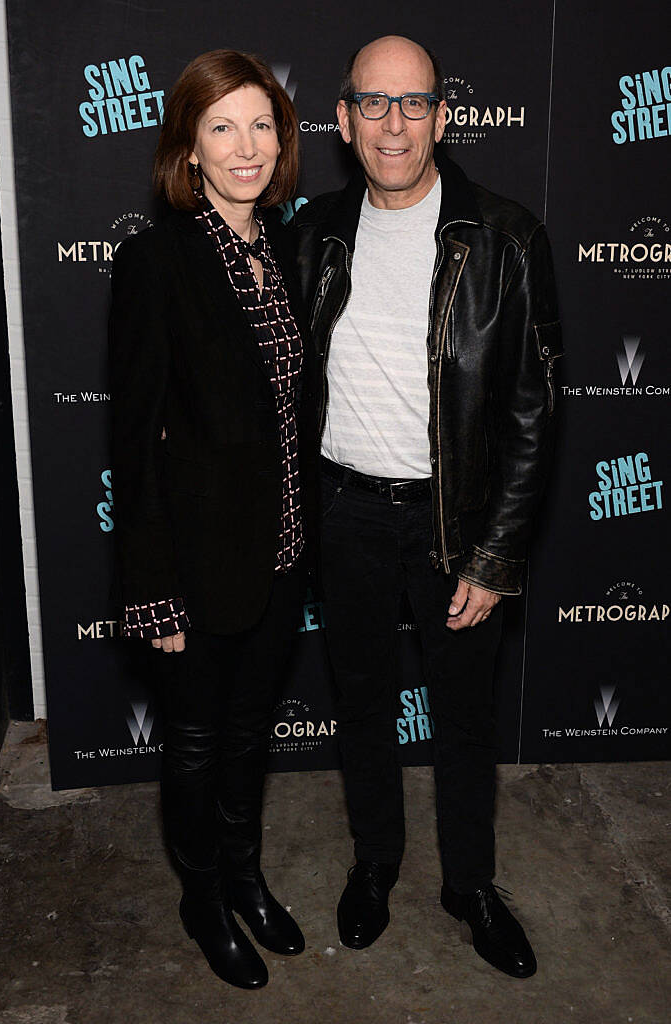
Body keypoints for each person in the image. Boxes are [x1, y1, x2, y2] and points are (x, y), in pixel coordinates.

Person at [294, 35, 562, 979]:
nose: (394, 124)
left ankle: (470, 886)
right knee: (360, 704)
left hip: (456, 526)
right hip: (345, 516)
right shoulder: (313, 232)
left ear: (443, 117)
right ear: (344, 121)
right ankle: (376, 863)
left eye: (413, 104)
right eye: (373, 104)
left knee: (464, 720)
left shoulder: (507, 236)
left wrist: (495, 555)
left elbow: (533, 415)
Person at [109, 49, 316, 990]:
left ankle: (244, 875)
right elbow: (133, 441)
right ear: (189, 148)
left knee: (247, 738)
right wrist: (152, 588)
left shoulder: (284, 247)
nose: (246, 146)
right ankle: (202, 898)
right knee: (195, 745)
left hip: (280, 553)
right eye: (222, 126)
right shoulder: (157, 259)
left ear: (283, 139)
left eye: (261, 124)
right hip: (193, 565)